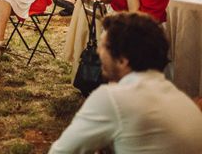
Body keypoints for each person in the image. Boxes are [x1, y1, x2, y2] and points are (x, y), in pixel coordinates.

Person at [50, 12, 202, 154]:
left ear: (123, 60)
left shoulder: (113, 99)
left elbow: (60, 152)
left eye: (103, 47)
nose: (98, 52)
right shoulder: (181, 100)